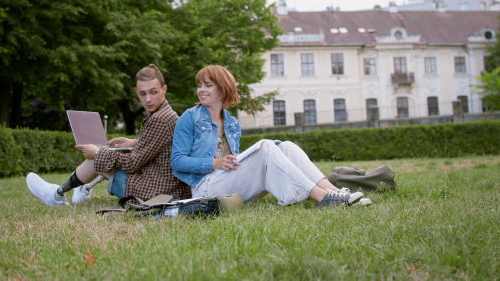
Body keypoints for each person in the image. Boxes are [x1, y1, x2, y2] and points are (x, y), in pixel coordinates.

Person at [171, 65, 371, 208]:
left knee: (287, 147)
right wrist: (214, 163)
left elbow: (236, 165)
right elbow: (177, 162)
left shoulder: (232, 123)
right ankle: (322, 198)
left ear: (222, 88)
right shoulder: (189, 118)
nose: (201, 90)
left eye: (207, 85)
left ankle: (335, 193)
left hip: (229, 185)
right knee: (266, 146)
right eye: (199, 85)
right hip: (205, 189)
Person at [27, 64, 191, 206]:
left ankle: (57, 194)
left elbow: (133, 164)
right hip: (166, 189)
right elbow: (161, 145)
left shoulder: (160, 119)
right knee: (110, 152)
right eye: (142, 94)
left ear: (164, 89)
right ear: (136, 92)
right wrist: (133, 141)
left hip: (154, 193)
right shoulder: (168, 114)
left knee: (99, 155)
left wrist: (98, 153)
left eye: (153, 92)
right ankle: (81, 189)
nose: (148, 99)